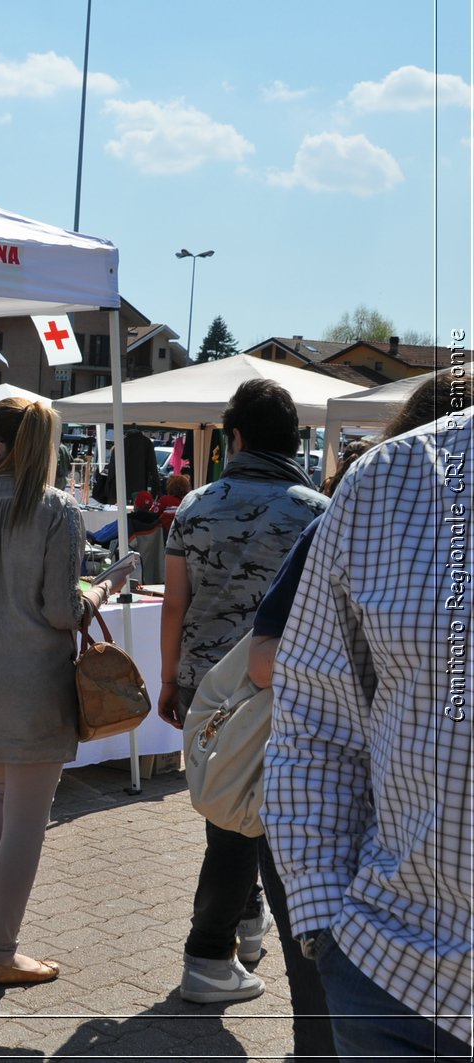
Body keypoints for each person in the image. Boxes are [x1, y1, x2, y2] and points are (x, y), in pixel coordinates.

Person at [240, 370, 455, 1058]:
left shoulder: (344, 495)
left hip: (374, 932)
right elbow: (299, 686)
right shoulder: (370, 495)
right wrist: (327, 926)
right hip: (391, 962)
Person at [0, 397, 135, 986]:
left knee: (4, 799)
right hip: (29, 683)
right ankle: (2, 949)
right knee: (26, 815)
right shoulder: (57, 511)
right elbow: (59, 611)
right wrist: (100, 590)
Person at [159, 379, 328, 1005]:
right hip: (290, 690)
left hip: (210, 692)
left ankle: (228, 939)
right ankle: (214, 950)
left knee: (229, 821)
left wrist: (171, 678)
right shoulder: (318, 511)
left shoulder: (197, 505)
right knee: (270, 823)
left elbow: (174, 604)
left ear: (235, 437)